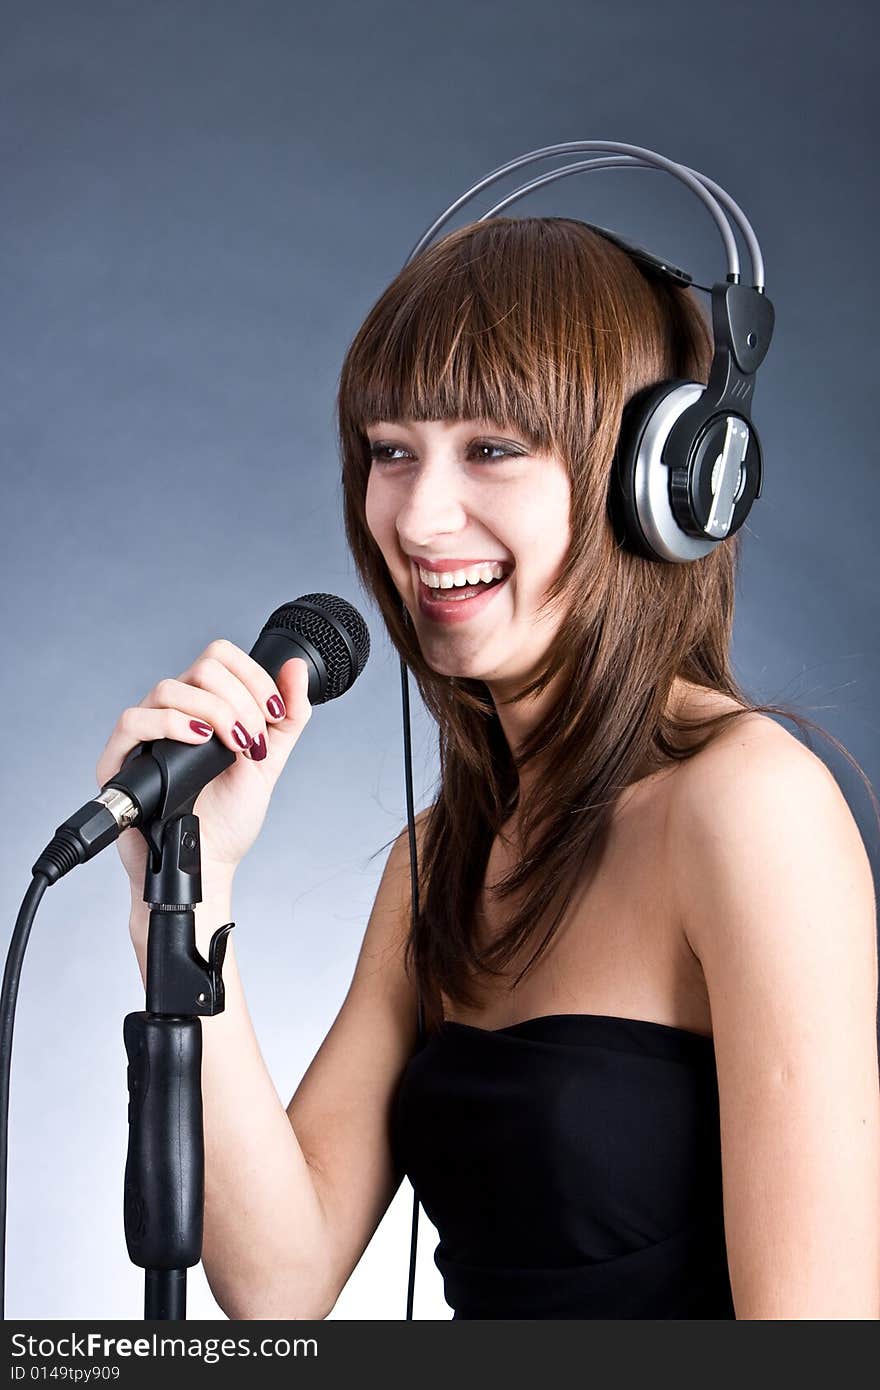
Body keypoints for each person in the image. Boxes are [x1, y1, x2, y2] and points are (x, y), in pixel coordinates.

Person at [97, 217, 880, 1320]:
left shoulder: (751, 807)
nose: (417, 517)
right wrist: (178, 890)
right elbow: (277, 1281)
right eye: (390, 449)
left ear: (666, 482)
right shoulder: (442, 858)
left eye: (494, 449)